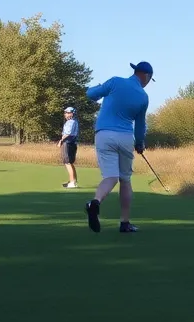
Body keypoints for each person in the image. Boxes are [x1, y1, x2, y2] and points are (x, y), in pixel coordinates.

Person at [84, 62, 153, 234]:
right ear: (146, 77)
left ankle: (96, 202)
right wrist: (140, 143)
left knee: (110, 177)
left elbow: (91, 94)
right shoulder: (143, 97)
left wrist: (101, 86)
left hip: (103, 134)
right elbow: (140, 125)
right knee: (125, 180)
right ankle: (125, 223)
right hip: (124, 137)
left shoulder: (115, 82)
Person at [59, 107, 80, 188]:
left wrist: (61, 140)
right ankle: (73, 181)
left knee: (67, 162)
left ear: (71, 113)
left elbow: (68, 133)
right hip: (72, 143)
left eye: (67, 113)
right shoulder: (74, 122)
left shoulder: (70, 122)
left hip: (68, 143)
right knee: (70, 162)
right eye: (65, 113)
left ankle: (72, 182)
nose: (65, 114)